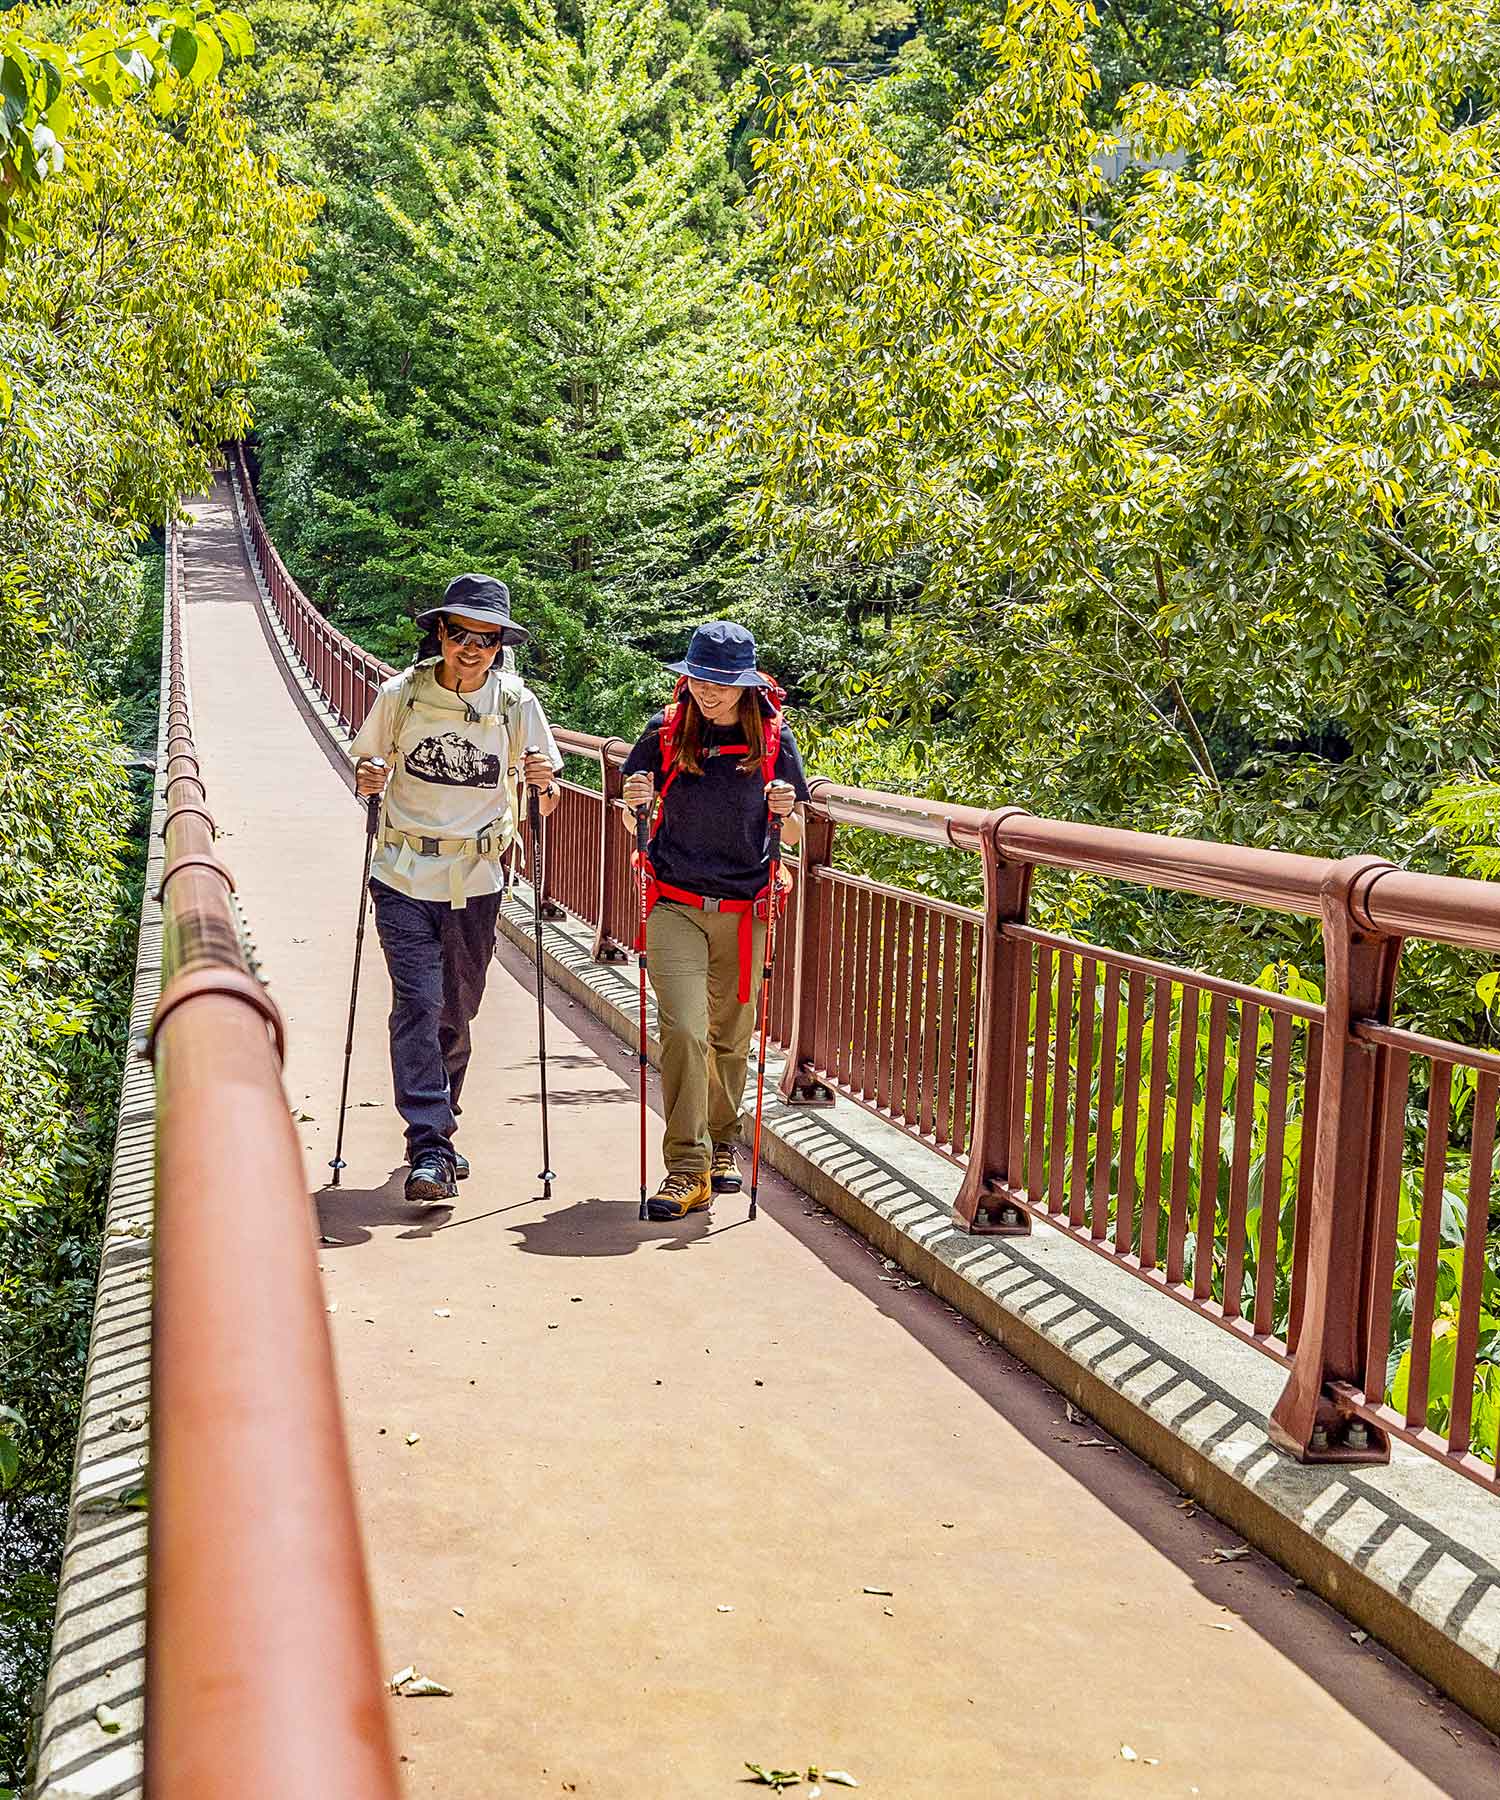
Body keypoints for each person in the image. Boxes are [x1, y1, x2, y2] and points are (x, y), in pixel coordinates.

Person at [349, 574, 562, 1203]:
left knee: (456, 1008)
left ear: (500, 645)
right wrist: (367, 776)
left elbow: (546, 803)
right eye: (460, 634)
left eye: (486, 638)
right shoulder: (402, 696)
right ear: (439, 634)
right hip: (402, 872)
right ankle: (430, 1145)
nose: (471, 648)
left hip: (478, 877)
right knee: (417, 1001)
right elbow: (363, 769)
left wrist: (545, 784)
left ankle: (441, 1120)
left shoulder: (517, 706)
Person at [621, 621, 810, 1220]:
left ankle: (723, 1142)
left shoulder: (775, 741)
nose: (711, 691)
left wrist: (788, 809)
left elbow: (799, 830)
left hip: (746, 908)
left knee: (730, 1037)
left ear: (748, 685)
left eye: (724, 682)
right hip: (674, 900)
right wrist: (635, 806)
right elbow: (634, 822)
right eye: (702, 678)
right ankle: (686, 1167)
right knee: (684, 1030)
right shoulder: (663, 733)